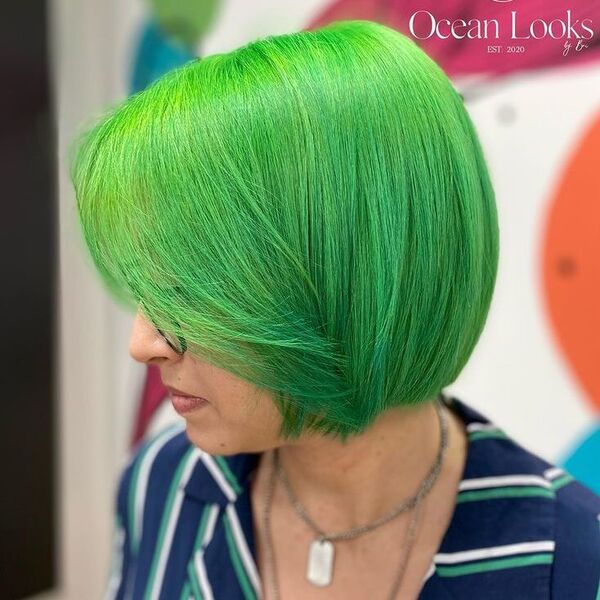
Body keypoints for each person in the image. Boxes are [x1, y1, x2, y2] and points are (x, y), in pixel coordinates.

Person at [70, 19, 600, 600]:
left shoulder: (570, 563)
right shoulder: (163, 485)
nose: (143, 342)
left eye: (191, 295)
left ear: (349, 279)